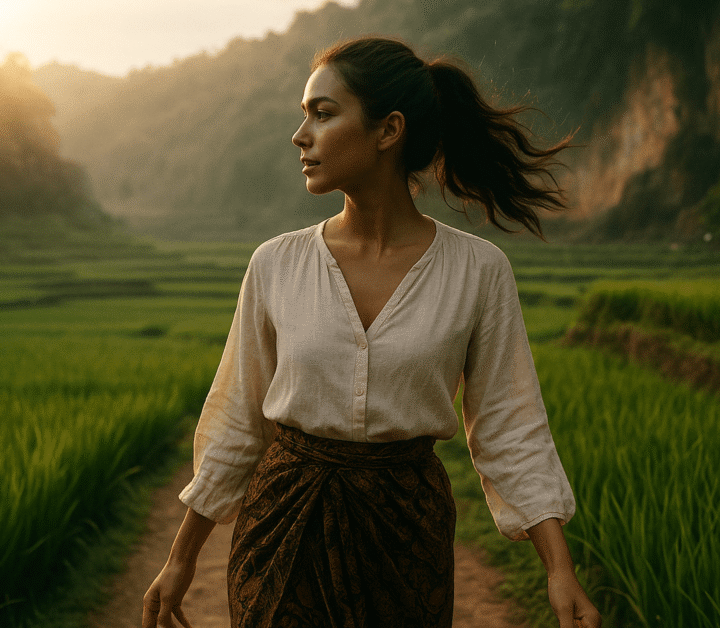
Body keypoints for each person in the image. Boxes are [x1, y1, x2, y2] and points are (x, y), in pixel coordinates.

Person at [143, 36, 601, 628]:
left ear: (389, 131)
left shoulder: (478, 271)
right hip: (284, 521)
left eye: (323, 114)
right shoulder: (275, 264)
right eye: (305, 113)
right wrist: (181, 558)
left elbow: (511, 427)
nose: (300, 135)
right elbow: (239, 418)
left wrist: (559, 571)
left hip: (405, 532)